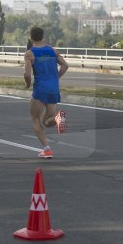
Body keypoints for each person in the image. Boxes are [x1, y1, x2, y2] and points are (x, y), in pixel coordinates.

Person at [24, 26, 69, 159]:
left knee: (35, 119)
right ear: (43, 36)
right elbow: (65, 65)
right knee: (47, 121)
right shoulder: (53, 50)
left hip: (40, 89)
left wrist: (27, 85)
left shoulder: (30, 53)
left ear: (31, 38)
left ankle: (47, 149)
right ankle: (59, 118)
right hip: (54, 89)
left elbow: (27, 74)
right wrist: (56, 78)